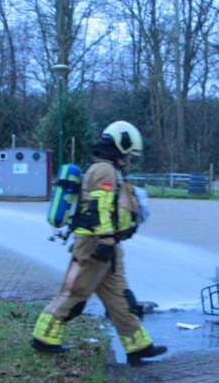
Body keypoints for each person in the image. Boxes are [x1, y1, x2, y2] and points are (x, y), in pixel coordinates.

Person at [31, 121, 167, 365]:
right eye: (129, 152)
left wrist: (110, 242)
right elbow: (100, 208)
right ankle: (44, 337)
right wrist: (104, 240)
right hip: (94, 245)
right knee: (75, 293)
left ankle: (138, 346)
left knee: (120, 298)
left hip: (108, 245)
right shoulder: (104, 170)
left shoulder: (107, 168)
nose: (129, 158)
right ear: (120, 145)